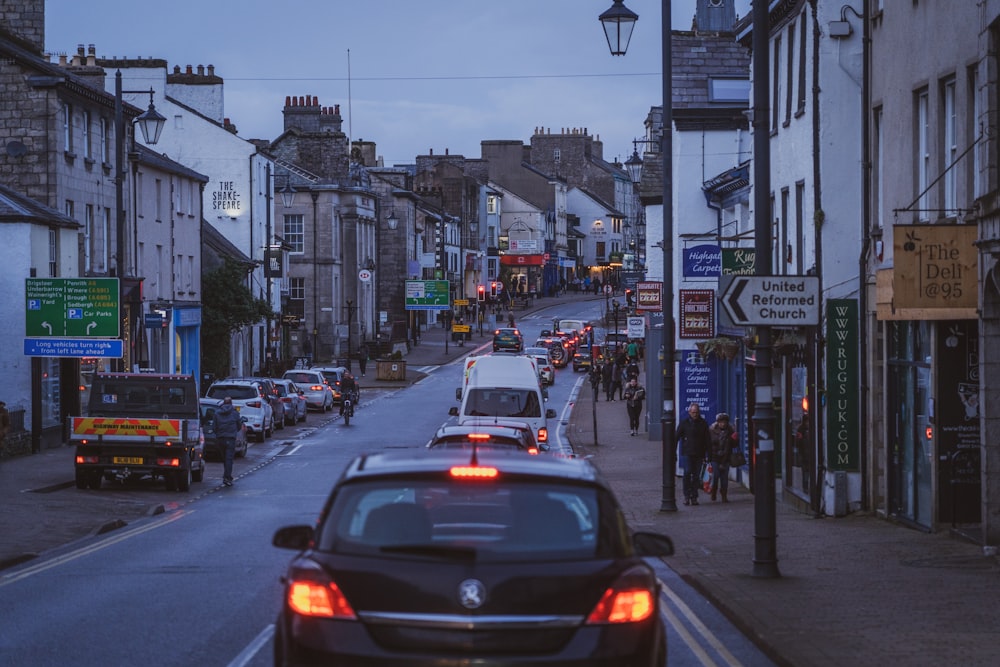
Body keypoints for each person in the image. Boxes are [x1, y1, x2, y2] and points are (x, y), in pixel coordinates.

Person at [675, 402, 711, 506]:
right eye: (693, 412)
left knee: (696, 476)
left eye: (696, 412)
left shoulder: (703, 423)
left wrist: (709, 454)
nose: (695, 414)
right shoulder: (684, 423)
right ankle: (686, 496)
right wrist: (673, 452)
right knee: (687, 472)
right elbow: (676, 437)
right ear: (689, 412)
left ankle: (694, 497)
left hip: (699, 453)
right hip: (687, 452)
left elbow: (707, 440)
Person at [214, 396, 242, 487]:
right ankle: (227, 477)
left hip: (221, 438)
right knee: (229, 459)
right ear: (231, 403)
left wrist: (218, 433)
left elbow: (214, 427)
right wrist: (233, 432)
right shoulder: (235, 413)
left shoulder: (217, 413)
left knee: (224, 458)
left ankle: (226, 475)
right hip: (230, 439)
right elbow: (239, 425)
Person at [708, 413, 737, 502]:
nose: (723, 424)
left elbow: (734, 445)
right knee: (715, 476)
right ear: (717, 422)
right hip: (715, 457)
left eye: (724, 422)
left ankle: (724, 495)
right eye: (721, 422)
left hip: (726, 457)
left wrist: (735, 439)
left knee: (724, 478)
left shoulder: (731, 431)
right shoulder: (711, 431)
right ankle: (714, 491)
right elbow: (708, 444)